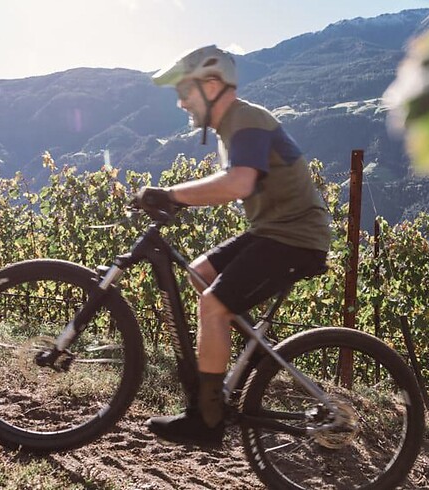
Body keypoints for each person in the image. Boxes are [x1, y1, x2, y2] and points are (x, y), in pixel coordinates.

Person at [136, 45, 331, 446]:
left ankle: (206, 421)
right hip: (272, 231)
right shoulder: (232, 126)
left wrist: (171, 194)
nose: (181, 102)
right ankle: (254, 355)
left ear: (212, 85)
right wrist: (176, 200)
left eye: (185, 91)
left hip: (295, 238)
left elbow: (239, 183)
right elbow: (234, 184)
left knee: (213, 305)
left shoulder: (247, 118)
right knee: (199, 273)